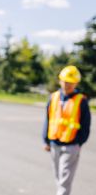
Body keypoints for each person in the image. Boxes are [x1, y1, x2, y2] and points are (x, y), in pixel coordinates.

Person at [43, 65, 91, 195]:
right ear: (60, 81)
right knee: (58, 176)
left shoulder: (81, 101)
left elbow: (86, 125)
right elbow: (49, 119)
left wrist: (78, 143)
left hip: (71, 146)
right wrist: (46, 141)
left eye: (71, 82)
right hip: (54, 143)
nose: (67, 85)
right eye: (65, 81)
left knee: (65, 180)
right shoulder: (54, 97)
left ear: (76, 83)